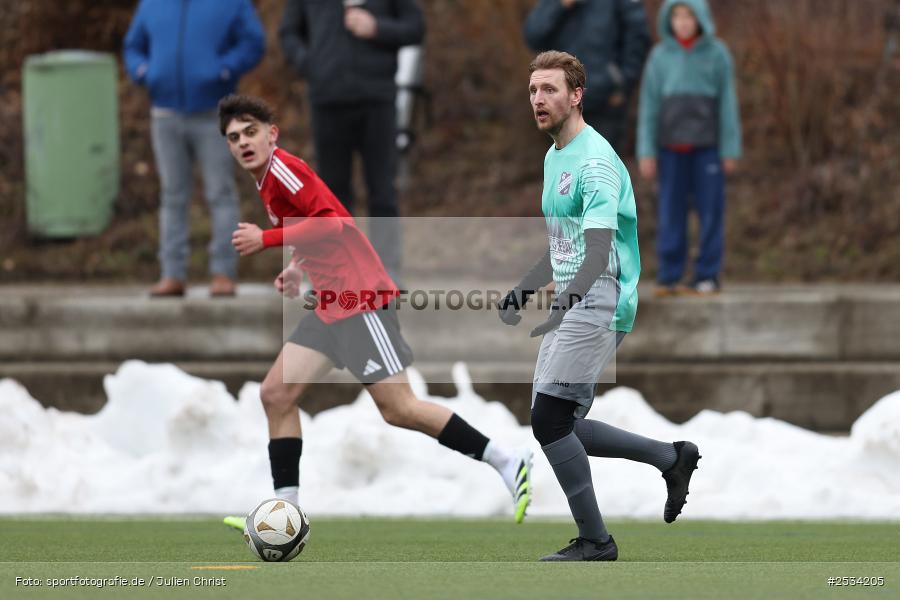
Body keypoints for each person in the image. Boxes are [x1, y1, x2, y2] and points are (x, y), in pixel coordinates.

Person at [215, 95, 532, 529]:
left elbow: (334, 222)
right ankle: (283, 516)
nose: (243, 142)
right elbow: (316, 230)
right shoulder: (268, 180)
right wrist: (294, 267)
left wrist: (268, 240)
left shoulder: (283, 169)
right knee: (276, 395)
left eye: (251, 132)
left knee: (399, 408)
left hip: (358, 299)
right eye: (234, 137)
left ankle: (507, 459)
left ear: (272, 134)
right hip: (330, 303)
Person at [498, 51, 700, 561]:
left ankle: (596, 541)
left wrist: (565, 302)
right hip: (576, 299)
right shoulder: (554, 157)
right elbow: (565, 243)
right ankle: (670, 457)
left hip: (600, 295)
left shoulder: (595, 162)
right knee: (562, 423)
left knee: (549, 421)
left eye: (549, 90)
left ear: (576, 95)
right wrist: (525, 288)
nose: (538, 100)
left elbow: (596, 250)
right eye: (533, 91)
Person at [123, 0, 265, 298]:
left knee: (220, 193)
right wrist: (142, 71)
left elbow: (254, 42)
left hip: (214, 114)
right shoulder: (152, 4)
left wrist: (225, 68)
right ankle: (172, 275)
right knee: (173, 195)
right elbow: (133, 45)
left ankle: (223, 273)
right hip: (165, 115)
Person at [279, 0, 425, 282]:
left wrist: (377, 28)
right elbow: (289, 32)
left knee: (382, 189)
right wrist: (310, 64)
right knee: (332, 194)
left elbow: (415, 28)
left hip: (377, 99)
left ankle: (386, 272)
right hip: (327, 100)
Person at [636, 0, 742, 296]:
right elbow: (649, 108)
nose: (683, 22)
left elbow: (728, 104)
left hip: (707, 148)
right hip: (670, 150)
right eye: (677, 16)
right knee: (670, 212)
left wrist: (729, 149)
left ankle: (707, 275)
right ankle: (670, 275)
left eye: (689, 16)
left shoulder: (717, 53)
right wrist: (647, 150)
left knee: (710, 212)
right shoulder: (659, 57)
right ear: (669, 20)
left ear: (701, 18)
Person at [523, 0, 651, 152]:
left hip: (605, 102)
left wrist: (622, 86)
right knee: (564, 169)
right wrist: (559, 6)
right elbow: (533, 36)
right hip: (560, 102)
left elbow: (637, 39)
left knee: (601, 168)